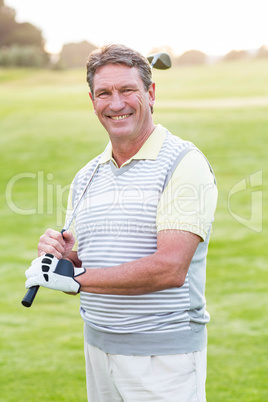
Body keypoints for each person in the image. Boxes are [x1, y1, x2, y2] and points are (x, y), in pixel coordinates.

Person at [25, 44, 218, 401]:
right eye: (104, 93)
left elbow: (169, 269)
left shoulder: (183, 163)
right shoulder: (88, 175)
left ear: (151, 92)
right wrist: (65, 259)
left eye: (127, 90)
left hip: (164, 357)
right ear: (92, 100)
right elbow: (98, 264)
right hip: (97, 347)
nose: (116, 104)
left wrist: (73, 278)